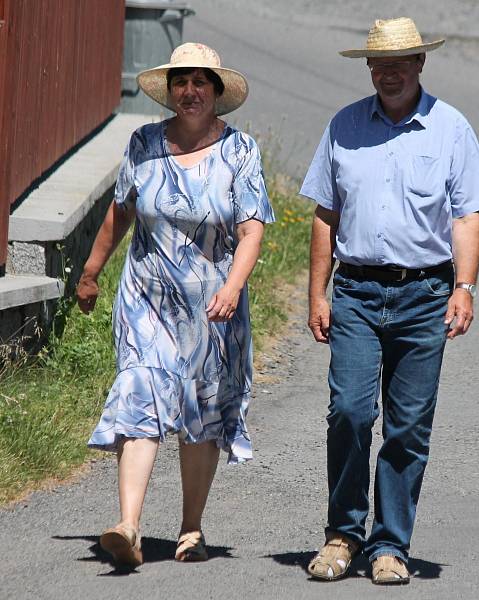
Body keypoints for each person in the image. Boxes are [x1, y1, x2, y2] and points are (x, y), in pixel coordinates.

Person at [301, 17, 479, 585]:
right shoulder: (343, 126)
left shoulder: (451, 128)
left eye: (399, 64)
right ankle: (343, 534)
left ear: (420, 65)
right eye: (378, 65)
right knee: (350, 412)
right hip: (357, 292)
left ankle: (390, 544)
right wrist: (318, 292)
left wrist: (465, 287)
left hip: (425, 292)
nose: (388, 74)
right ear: (368, 68)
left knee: (408, 426)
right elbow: (324, 214)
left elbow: (467, 214)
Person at [77, 42, 274, 569]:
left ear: (215, 94)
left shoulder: (240, 151)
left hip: (213, 303)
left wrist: (233, 287)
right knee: (139, 386)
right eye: (180, 82)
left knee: (201, 408)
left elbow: (252, 229)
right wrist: (92, 272)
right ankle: (129, 525)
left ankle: (191, 527)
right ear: (169, 92)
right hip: (146, 297)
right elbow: (121, 213)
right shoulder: (143, 142)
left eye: (199, 83)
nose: (189, 91)